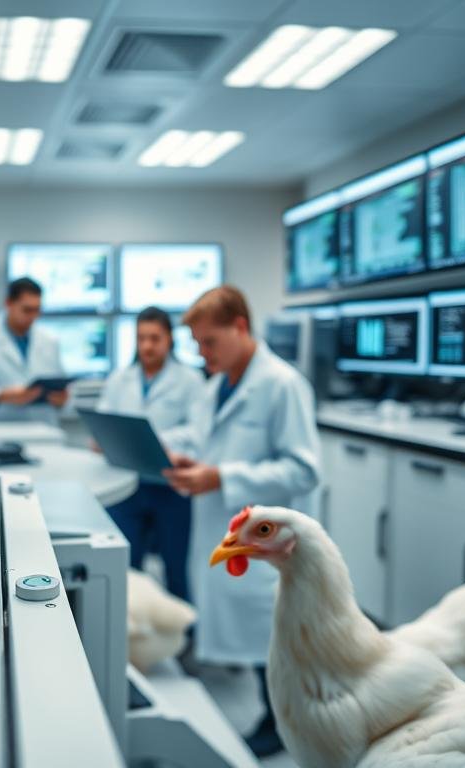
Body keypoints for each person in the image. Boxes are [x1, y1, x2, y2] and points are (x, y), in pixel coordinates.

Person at [161, 286, 320, 758]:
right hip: (228, 531)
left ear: (240, 328)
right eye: (197, 344)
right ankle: (274, 714)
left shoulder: (282, 385)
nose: (201, 353)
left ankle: (283, 722)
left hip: (270, 541)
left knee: (274, 635)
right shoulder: (215, 386)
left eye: (209, 342)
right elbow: (200, 435)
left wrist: (222, 476)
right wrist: (177, 452)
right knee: (251, 634)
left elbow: (304, 468)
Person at [97, 306, 205, 601]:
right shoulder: (121, 379)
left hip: (170, 486)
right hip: (126, 487)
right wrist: (102, 438)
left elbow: (198, 432)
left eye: (155, 338)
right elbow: (106, 421)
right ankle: (129, 637)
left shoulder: (190, 380)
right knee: (125, 566)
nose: (147, 345)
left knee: (176, 567)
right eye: (141, 338)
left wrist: (150, 439)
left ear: (170, 339)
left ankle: (185, 638)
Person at [0, 277, 69, 423]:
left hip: (45, 431)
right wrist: (2, 395)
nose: (33, 317)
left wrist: (62, 399)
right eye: (27, 310)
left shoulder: (50, 341)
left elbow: (63, 387)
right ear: (8, 303)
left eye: (37, 310)